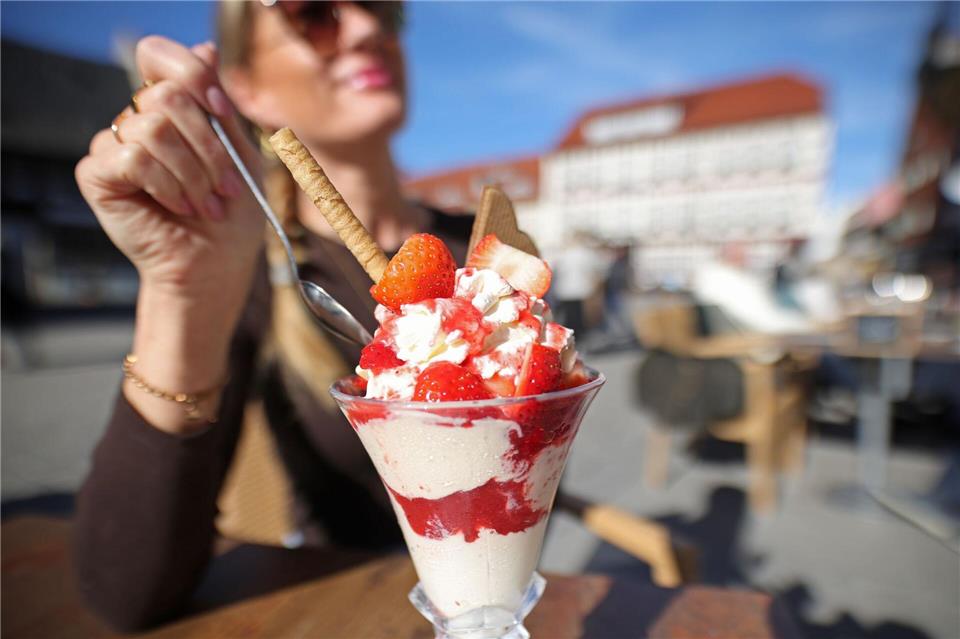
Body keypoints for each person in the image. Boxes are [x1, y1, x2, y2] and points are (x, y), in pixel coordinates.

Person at [73, 1, 472, 631]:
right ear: (246, 88)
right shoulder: (253, 274)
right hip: (340, 608)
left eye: (377, 9)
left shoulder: (490, 250)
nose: (367, 28)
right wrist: (184, 290)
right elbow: (124, 592)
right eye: (314, 15)